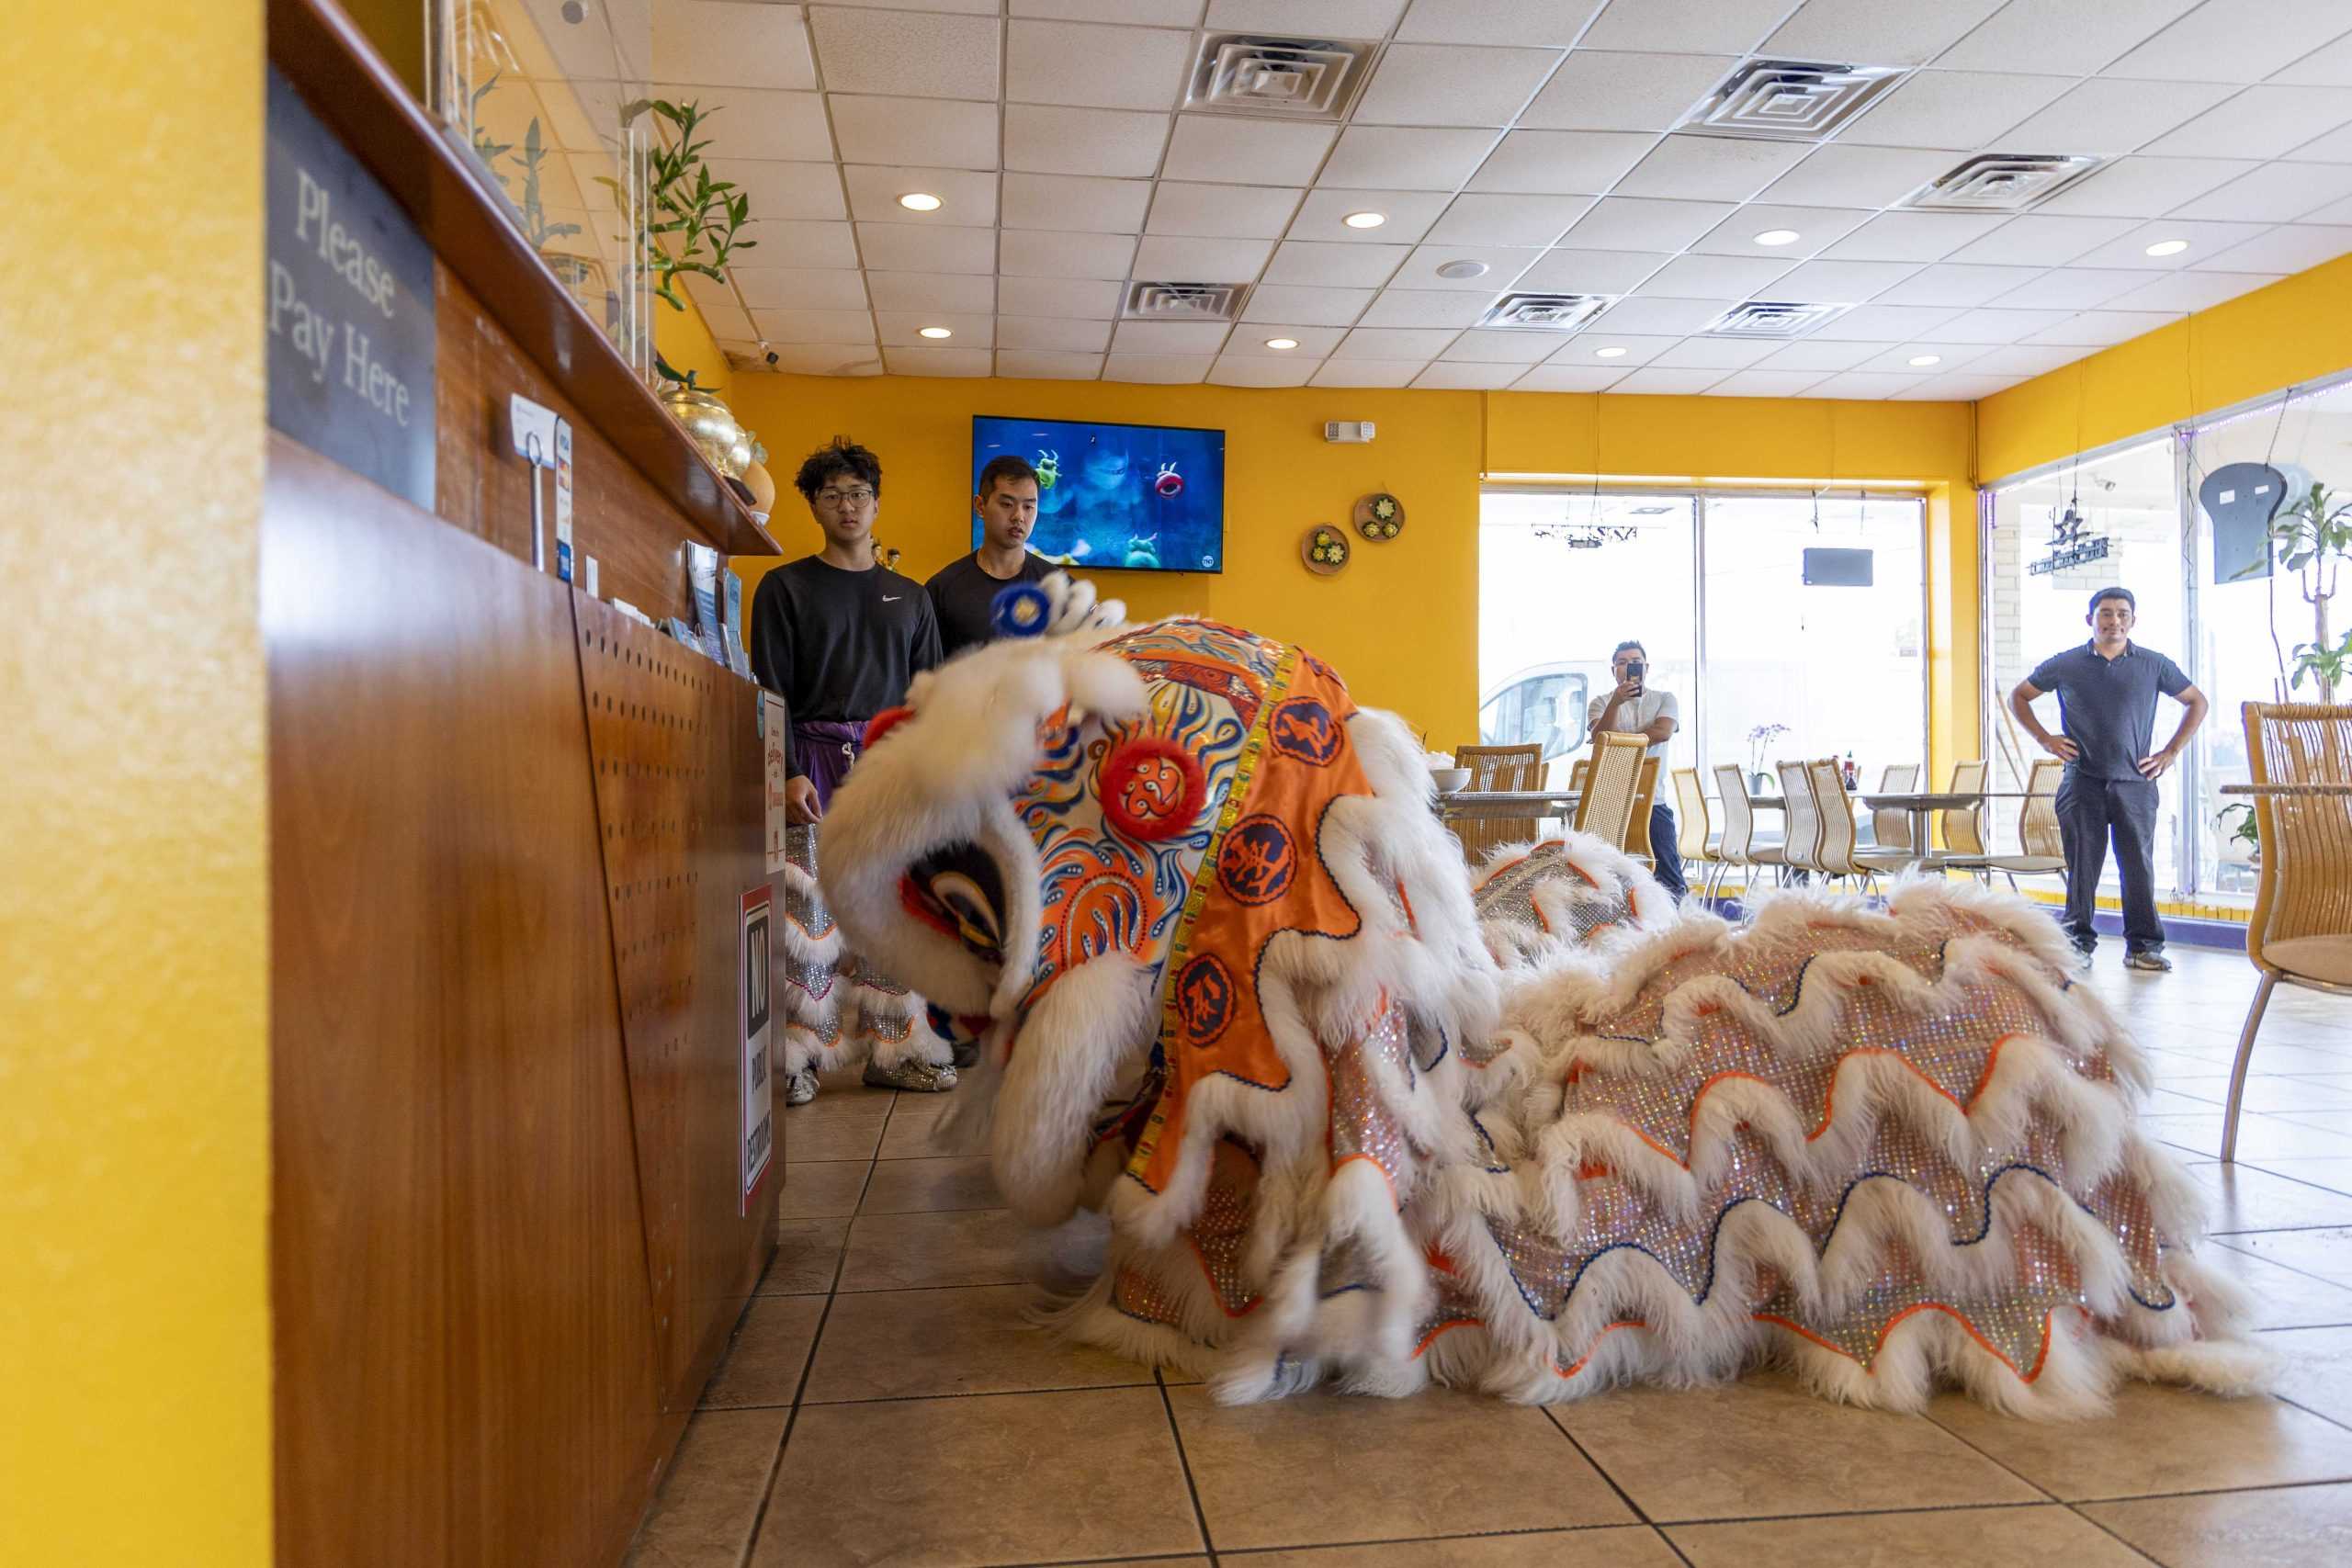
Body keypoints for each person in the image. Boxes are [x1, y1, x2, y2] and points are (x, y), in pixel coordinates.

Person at [750, 436, 956, 1104]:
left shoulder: (912, 596)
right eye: (833, 494)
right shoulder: (784, 588)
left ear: (876, 503)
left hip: (888, 772)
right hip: (809, 760)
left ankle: (895, 1050)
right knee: (808, 917)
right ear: (813, 505)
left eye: (859, 493)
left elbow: (929, 697)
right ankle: (799, 1058)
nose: (848, 505)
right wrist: (781, 772)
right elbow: (768, 687)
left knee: (892, 916)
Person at [2008, 586, 2209, 973]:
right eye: (2105, 613)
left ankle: (2143, 946)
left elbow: (2196, 701)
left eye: (2121, 614)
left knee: (2138, 864)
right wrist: (2044, 739)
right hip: (2081, 781)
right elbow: (2020, 696)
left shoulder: (2155, 665)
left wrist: (2170, 752)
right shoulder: (2066, 664)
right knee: (2082, 866)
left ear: (2132, 620)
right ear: (2091, 619)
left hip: (2136, 783)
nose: (2113, 620)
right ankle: (2076, 944)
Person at [924, 454, 1055, 659]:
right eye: (1007, 504)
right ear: (980, 506)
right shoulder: (942, 589)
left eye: (1029, 506)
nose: (1019, 516)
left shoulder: (1056, 585)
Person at [1588, 639, 1685, 900]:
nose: (1629, 667)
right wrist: (1616, 704)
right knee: (1606, 876)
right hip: (1610, 802)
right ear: (1613, 671)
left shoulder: (1665, 699)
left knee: (1669, 878)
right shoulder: (1601, 702)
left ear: (1646, 668)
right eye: (1622, 663)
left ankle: (1673, 932)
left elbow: (1663, 732)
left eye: (1635, 663)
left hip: (1653, 800)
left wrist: (1619, 741)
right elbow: (1601, 739)